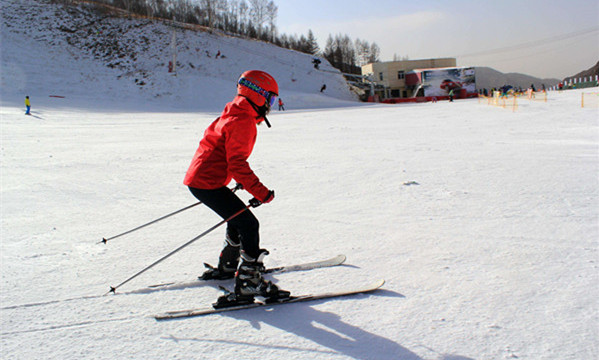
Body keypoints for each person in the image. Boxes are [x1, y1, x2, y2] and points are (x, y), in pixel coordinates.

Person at [183, 70, 289, 305]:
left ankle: (229, 266)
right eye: (270, 99)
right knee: (249, 224)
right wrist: (261, 192)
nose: (271, 105)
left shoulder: (234, 111)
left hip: (203, 179)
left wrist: (234, 178)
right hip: (207, 182)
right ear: (259, 95)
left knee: (238, 217)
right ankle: (249, 282)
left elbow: (222, 152)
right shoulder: (243, 121)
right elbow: (238, 164)